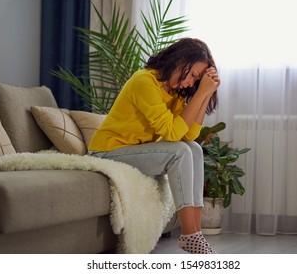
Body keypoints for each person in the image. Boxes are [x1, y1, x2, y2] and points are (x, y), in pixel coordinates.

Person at [88, 38, 220, 254]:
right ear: (181, 60)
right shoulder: (144, 81)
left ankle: (195, 234)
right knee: (179, 152)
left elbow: (189, 135)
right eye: (194, 76)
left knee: (193, 149)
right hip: (106, 153)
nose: (191, 84)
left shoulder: (174, 92)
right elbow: (172, 133)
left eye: (197, 81)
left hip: (133, 153)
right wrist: (199, 93)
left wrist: (204, 94)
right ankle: (190, 235)